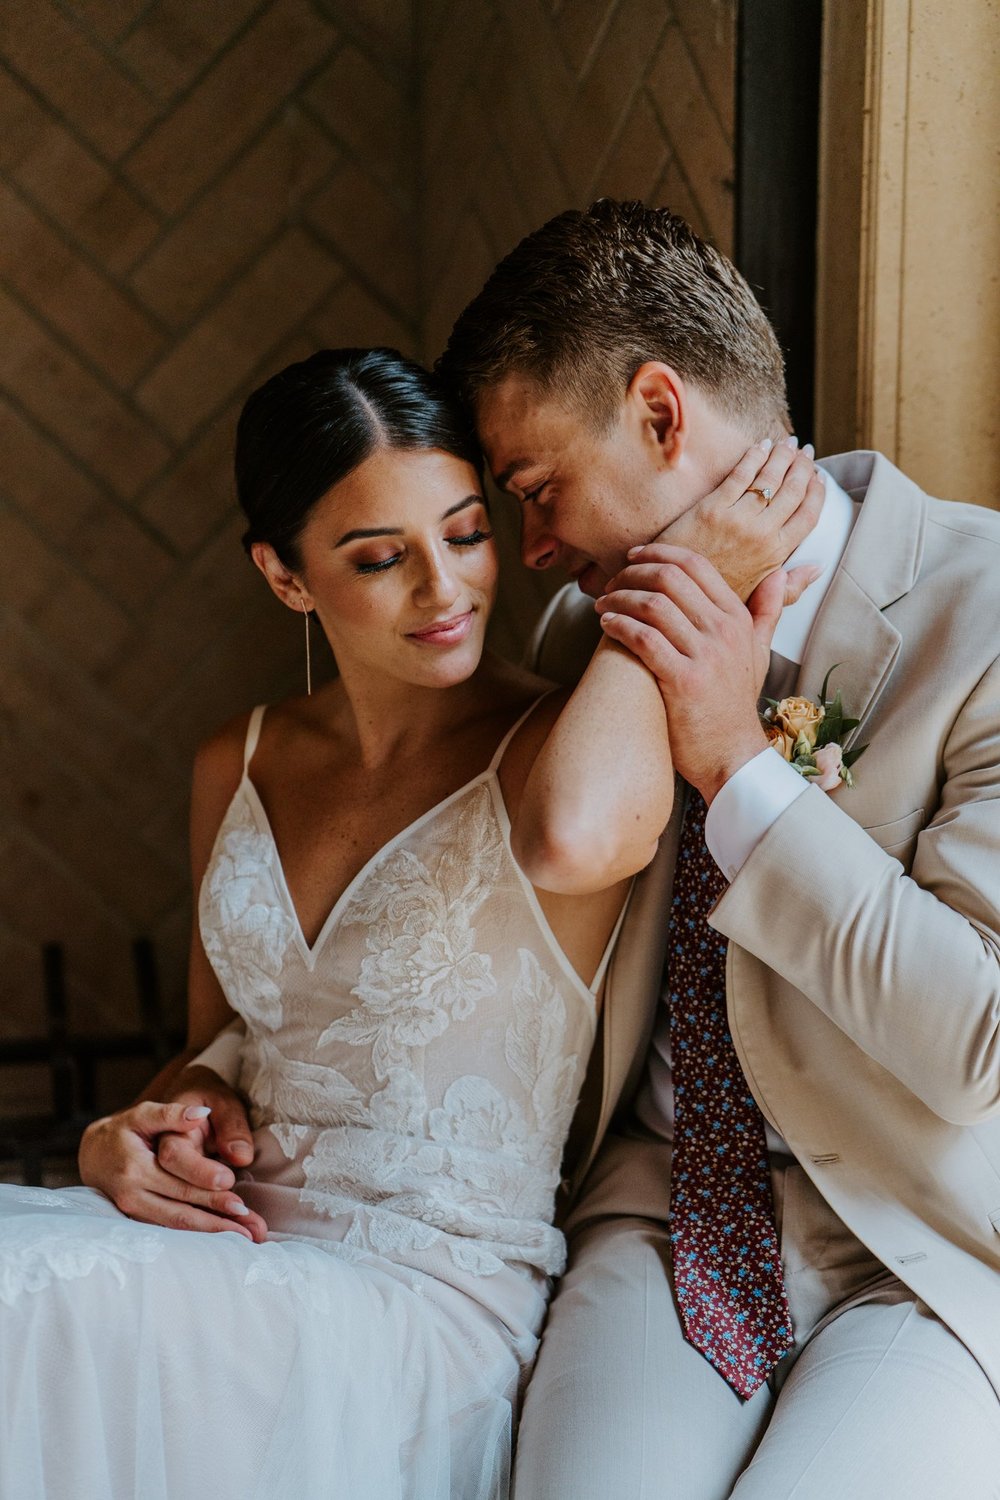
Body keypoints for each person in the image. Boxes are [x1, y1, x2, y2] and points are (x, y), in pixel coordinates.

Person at [0, 346, 814, 1499]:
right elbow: (211, 1047)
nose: (446, 592)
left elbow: (579, 839)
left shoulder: (556, 748)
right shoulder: (236, 759)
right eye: (380, 559)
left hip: (415, 1314)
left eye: (467, 533)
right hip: (218, 1256)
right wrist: (141, 1129)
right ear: (286, 579)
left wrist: (692, 563)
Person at [434, 199, 1000, 1498]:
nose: (534, 554)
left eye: (538, 489)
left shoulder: (986, 616)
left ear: (659, 413)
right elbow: (561, 854)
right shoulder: (593, 634)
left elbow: (980, 1043)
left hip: (921, 1249)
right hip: (665, 1215)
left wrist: (738, 764)